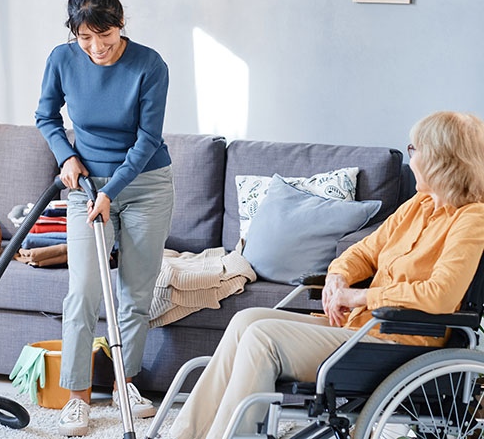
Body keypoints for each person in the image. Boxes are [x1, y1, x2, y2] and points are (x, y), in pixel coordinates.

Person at [169, 111, 484, 439]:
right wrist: (338, 278)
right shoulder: (416, 206)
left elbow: (440, 294)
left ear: (439, 160)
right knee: (245, 321)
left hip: (396, 340)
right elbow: (362, 252)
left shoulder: (471, 219)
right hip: (362, 328)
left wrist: (360, 296)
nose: (412, 158)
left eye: (415, 150)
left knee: (262, 339)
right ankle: (184, 436)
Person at [35, 0, 174, 437]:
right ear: (75, 34)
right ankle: (77, 397)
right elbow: (46, 116)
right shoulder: (62, 59)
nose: (97, 47)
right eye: (86, 37)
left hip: (146, 185)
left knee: (136, 293)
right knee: (83, 293)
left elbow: (149, 138)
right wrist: (67, 155)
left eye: (106, 35)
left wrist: (113, 191)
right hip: (85, 190)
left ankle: (123, 384)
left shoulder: (149, 65)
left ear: (120, 23)